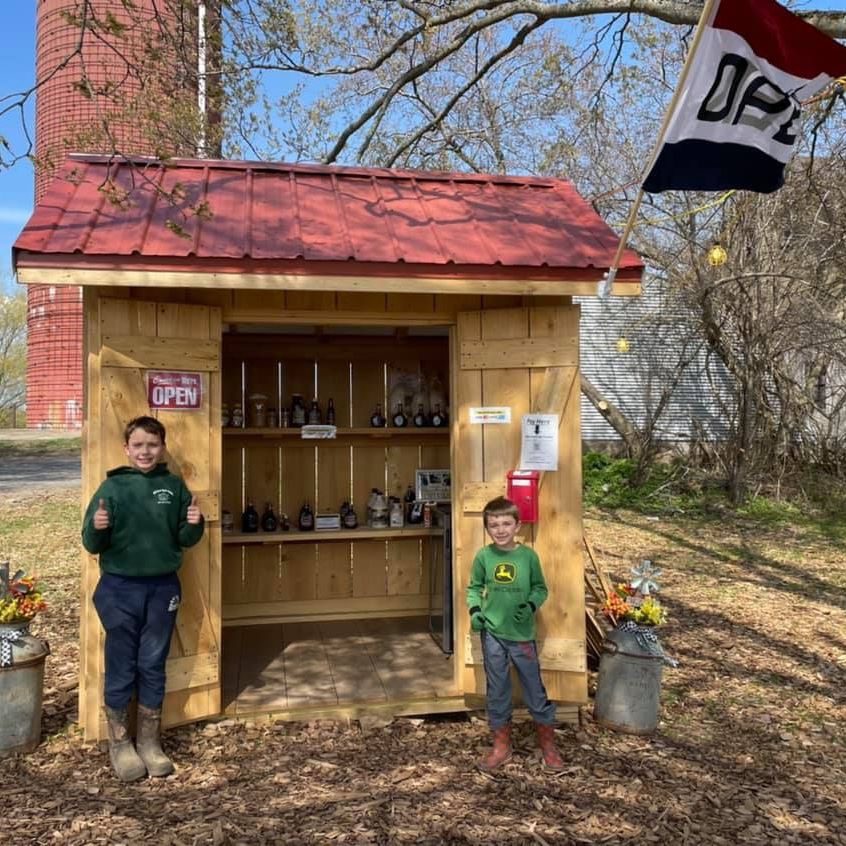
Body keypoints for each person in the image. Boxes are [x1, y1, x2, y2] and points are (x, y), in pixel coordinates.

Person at [82, 416, 204, 781]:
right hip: (119, 590)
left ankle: (150, 742)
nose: (145, 451)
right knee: (122, 664)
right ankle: (120, 743)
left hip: (163, 588)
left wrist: (195, 523)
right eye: (138, 445)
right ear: (127, 449)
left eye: (152, 444)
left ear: (162, 447)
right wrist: (97, 528)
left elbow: (184, 538)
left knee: (152, 662)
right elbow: (91, 543)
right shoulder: (112, 488)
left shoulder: (173, 486)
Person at [466, 496, 565, 772]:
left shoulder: (528, 557)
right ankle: (501, 747)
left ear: (517, 525)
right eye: (493, 525)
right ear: (487, 528)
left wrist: (531, 605)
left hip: (522, 637)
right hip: (493, 635)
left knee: (534, 688)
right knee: (497, 690)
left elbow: (540, 588)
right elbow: (473, 588)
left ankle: (548, 746)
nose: (500, 530)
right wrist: (475, 612)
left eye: (506, 523)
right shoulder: (484, 557)